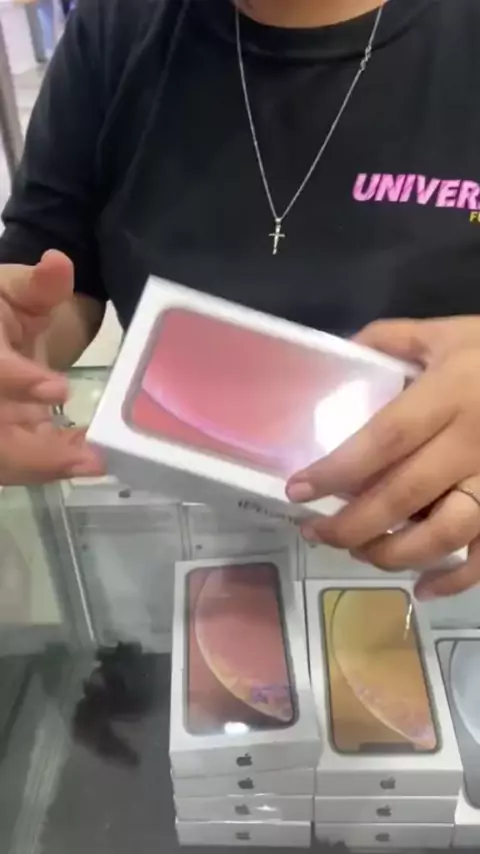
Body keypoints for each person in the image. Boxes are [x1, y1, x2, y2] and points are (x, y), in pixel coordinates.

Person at [2, 0, 480, 600]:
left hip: (433, 534)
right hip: (181, 517)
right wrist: (20, 341)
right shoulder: (117, 26)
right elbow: (52, 260)